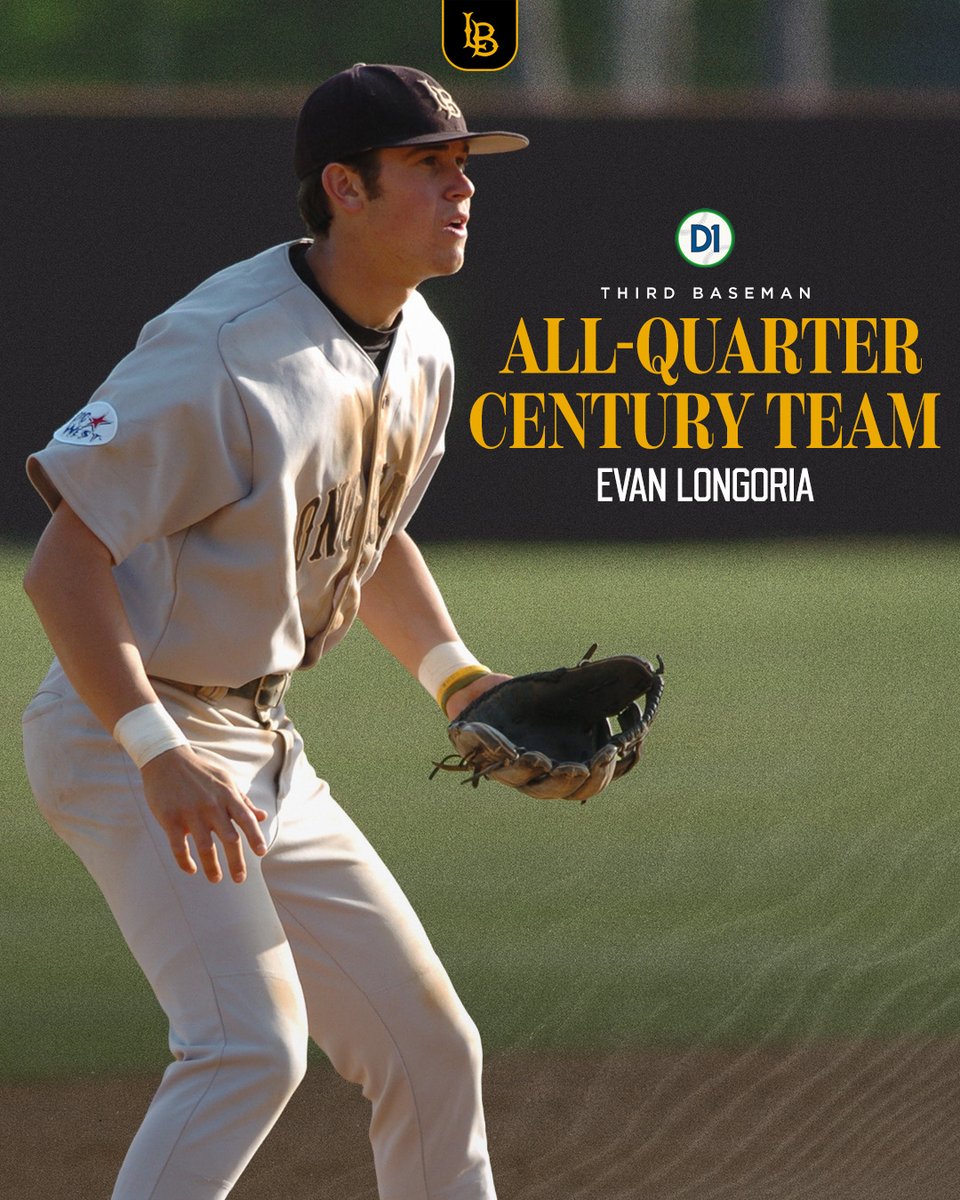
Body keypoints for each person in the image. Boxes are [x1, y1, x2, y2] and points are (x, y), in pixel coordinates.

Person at [21, 63, 528, 1200]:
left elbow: (359, 528)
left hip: (261, 748)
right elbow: (63, 564)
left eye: (465, 165)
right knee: (247, 1047)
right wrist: (156, 753)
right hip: (130, 733)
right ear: (343, 188)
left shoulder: (423, 344)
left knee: (432, 1047)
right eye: (429, 166)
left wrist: (456, 678)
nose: (462, 188)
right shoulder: (224, 348)